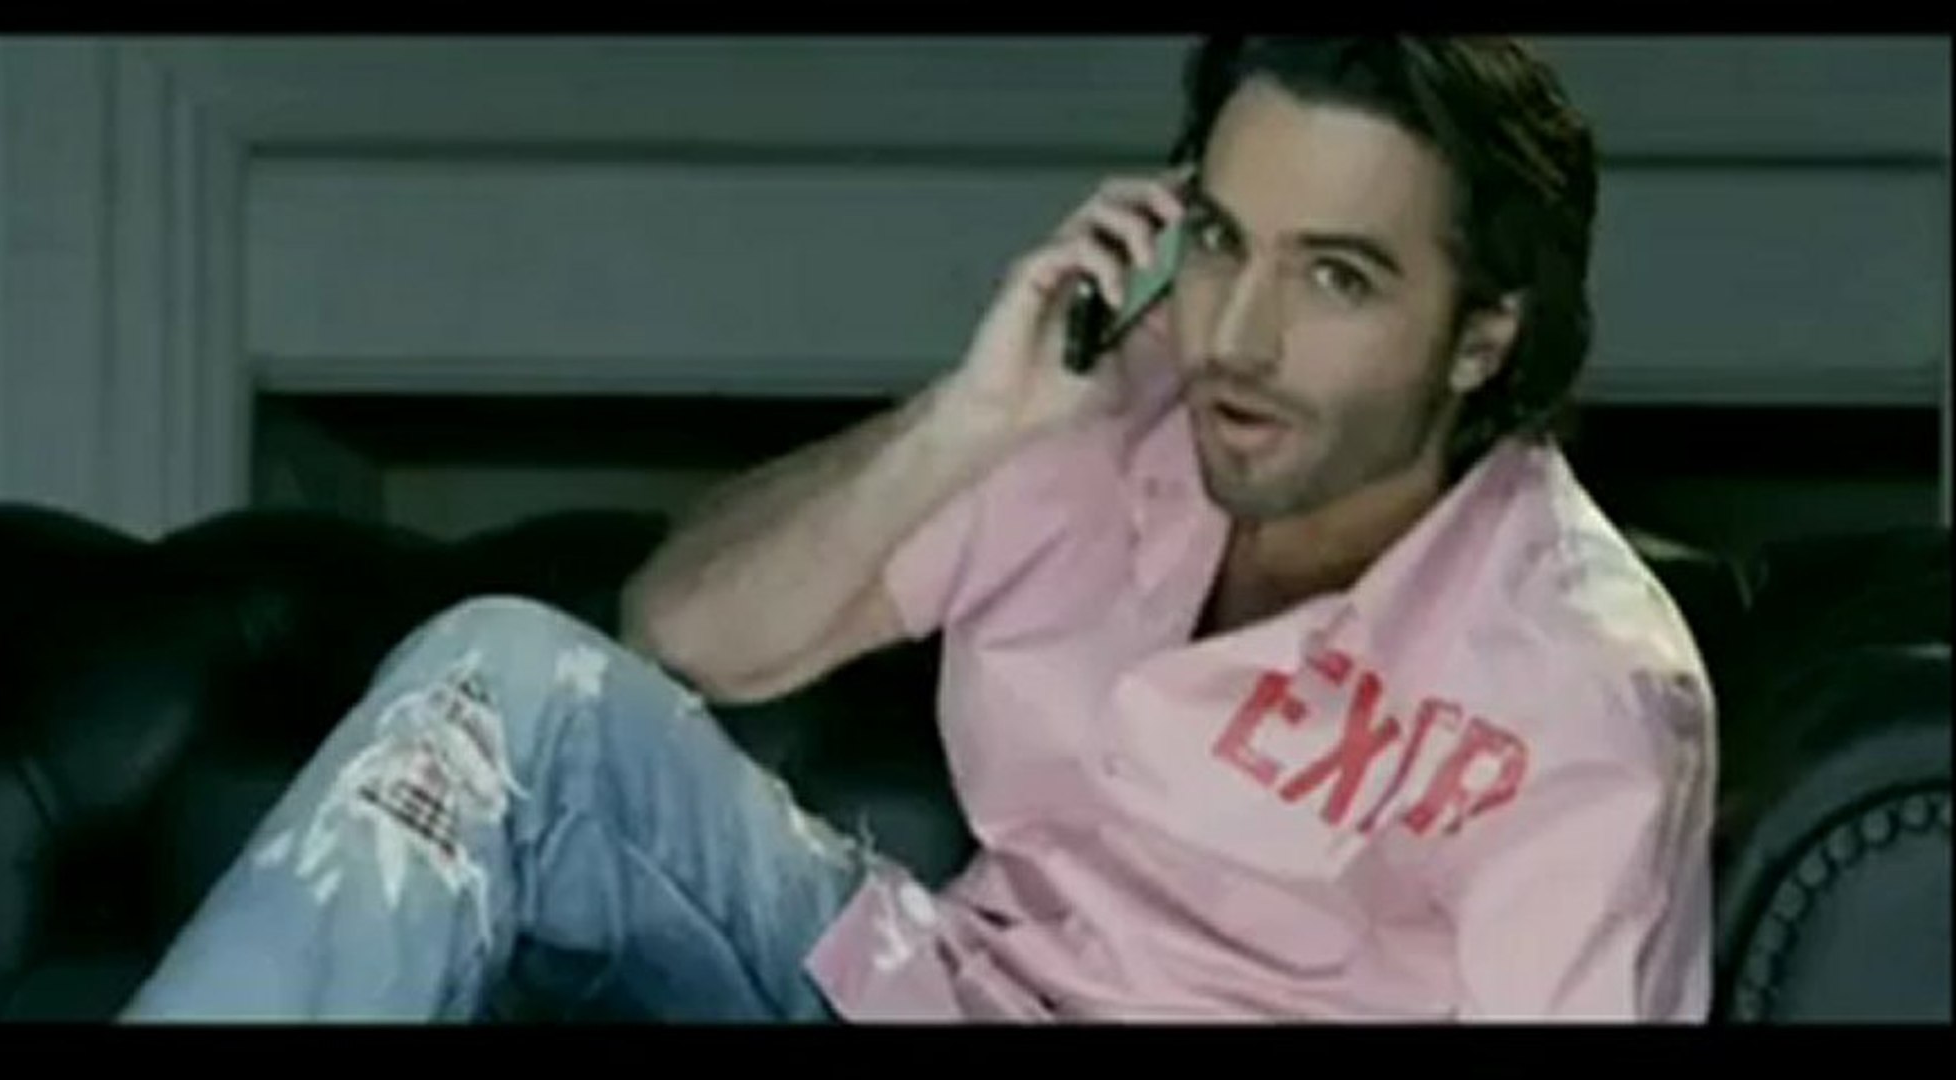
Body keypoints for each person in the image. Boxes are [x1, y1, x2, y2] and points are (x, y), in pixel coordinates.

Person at [123, 35, 1715, 1023]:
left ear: (1484, 335)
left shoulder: (1583, 691)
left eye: (1338, 277)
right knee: (505, 681)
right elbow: (687, 635)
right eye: (1225, 244)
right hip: (920, 991)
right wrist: (973, 418)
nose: (1239, 335)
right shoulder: (1114, 409)